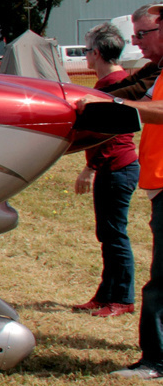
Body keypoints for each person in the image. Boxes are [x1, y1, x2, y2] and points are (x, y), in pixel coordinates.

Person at [102, 3, 163, 377]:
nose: (137, 42)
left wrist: (114, 104)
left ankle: (156, 360)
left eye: (143, 34)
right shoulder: (157, 70)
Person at [72, 25, 138, 317]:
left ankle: (122, 298)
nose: (86, 56)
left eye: (86, 51)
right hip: (115, 167)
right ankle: (106, 293)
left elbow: (113, 135)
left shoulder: (114, 84)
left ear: (96, 53)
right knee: (108, 233)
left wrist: (89, 168)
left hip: (117, 167)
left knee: (114, 235)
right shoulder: (112, 82)